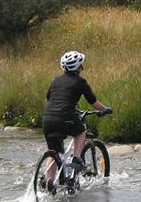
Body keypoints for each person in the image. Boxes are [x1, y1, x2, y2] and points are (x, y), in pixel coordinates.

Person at [41, 50, 112, 189]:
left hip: (48, 119)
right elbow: (94, 103)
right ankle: (77, 158)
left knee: (54, 150)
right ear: (80, 67)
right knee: (80, 132)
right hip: (66, 117)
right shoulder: (80, 82)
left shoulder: (55, 81)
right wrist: (105, 109)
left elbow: (48, 101)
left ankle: (49, 181)